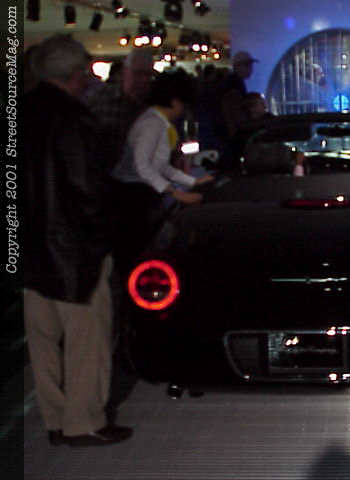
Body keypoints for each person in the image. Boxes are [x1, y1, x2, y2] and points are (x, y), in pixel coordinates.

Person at [23, 34, 132, 447]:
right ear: (76, 73)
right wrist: (104, 237)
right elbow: (89, 189)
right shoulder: (75, 119)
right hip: (73, 249)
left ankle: (54, 416)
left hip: (30, 246)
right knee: (87, 339)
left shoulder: (19, 114)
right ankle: (83, 420)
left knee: (42, 339)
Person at [111, 69, 214, 268]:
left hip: (138, 192)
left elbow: (159, 165)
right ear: (175, 102)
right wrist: (177, 193)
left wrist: (192, 182)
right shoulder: (153, 124)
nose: (183, 110)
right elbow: (142, 166)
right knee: (137, 251)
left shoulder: (157, 121)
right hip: (132, 196)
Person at [87, 47, 155, 171]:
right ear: (124, 72)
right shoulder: (100, 99)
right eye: (138, 73)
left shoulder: (155, 103)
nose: (144, 80)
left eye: (149, 75)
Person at [211, 51, 258, 170]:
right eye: (247, 65)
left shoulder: (233, 83)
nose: (250, 69)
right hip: (230, 138)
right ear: (238, 66)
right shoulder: (233, 86)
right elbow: (233, 115)